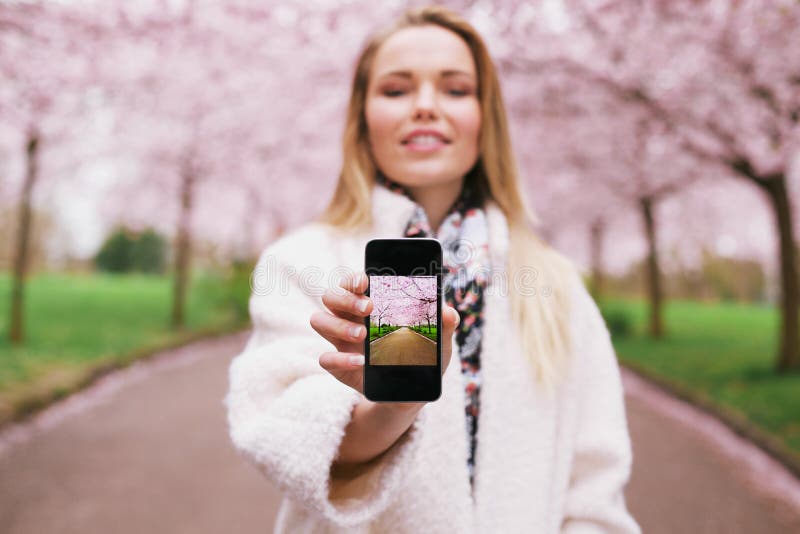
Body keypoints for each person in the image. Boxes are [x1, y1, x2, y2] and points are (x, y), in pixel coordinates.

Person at [224, 5, 641, 533]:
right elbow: (282, 435)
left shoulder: (551, 283)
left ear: (484, 117)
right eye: (396, 90)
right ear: (362, 117)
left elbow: (595, 492)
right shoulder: (302, 262)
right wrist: (396, 405)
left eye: (455, 89)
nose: (425, 107)